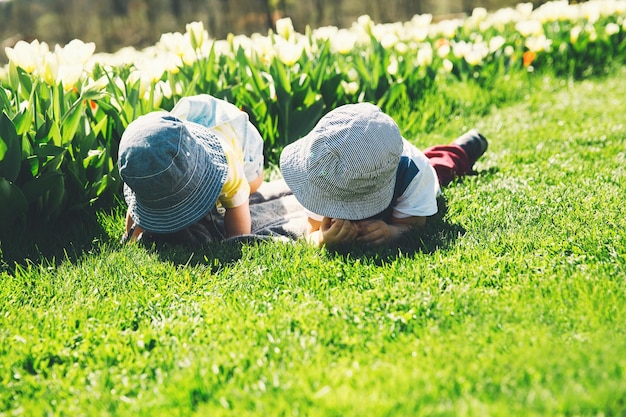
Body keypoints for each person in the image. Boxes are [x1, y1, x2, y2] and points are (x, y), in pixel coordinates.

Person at [279, 102, 488, 248]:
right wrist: (322, 240)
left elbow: (413, 225)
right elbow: (312, 230)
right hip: (375, 162)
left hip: (410, 174)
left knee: (440, 167)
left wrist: (392, 232)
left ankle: (463, 149)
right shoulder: (320, 173)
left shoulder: (413, 174)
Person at [118, 94, 264, 243]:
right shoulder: (148, 167)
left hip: (239, 135)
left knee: (251, 185)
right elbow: (137, 210)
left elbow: (237, 206)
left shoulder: (226, 164)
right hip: (193, 123)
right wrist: (131, 238)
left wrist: (234, 239)